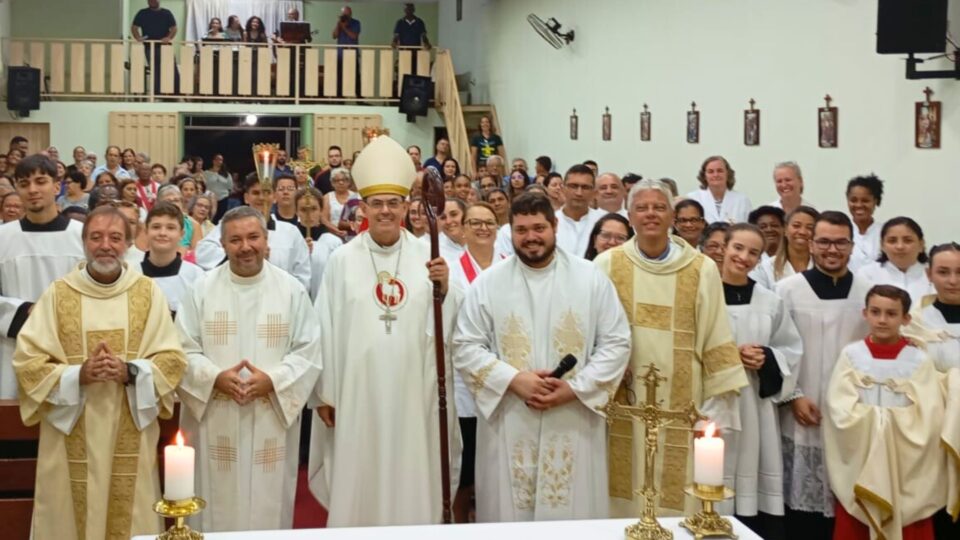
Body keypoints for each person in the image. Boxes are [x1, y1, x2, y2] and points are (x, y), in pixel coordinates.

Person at [307, 135, 462, 526]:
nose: (386, 211)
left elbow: (453, 327)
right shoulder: (343, 261)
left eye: (395, 203)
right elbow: (323, 324)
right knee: (360, 475)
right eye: (377, 203)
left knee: (414, 467)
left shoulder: (429, 258)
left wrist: (446, 288)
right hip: (357, 392)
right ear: (364, 208)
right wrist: (324, 393)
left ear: (407, 207)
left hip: (415, 391)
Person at [453, 192, 630, 522]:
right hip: (510, 415)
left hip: (574, 416)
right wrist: (513, 379)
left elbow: (617, 343)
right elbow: (465, 346)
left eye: (539, 228)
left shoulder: (590, 278)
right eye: (521, 230)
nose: (531, 237)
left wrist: (576, 389)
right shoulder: (489, 283)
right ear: (511, 231)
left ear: (554, 225)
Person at [13, 205, 187, 539]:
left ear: (128, 244)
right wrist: (77, 375)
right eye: (96, 237)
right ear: (84, 242)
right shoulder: (58, 294)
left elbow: (171, 359)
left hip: (129, 429)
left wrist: (130, 371)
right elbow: (28, 362)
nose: (105, 245)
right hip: (70, 432)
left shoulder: (147, 293)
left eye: (115, 237)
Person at [594, 178, 747, 516]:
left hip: (682, 404)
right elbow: (591, 333)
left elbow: (715, 336)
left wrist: (715, 408)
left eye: (659, 207)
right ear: (629, 215)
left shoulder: (701, 268)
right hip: (621, 403)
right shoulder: (606, 266)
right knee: (618, 493)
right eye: (642, 207)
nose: (651, 214)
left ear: (672, 215)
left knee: (677, 498)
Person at [177, 206, 321, 532]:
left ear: (266, 241)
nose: (245, 247)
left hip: (270, 415)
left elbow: (309, 351)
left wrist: (273, 380)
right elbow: (182, 350)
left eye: (253, 237)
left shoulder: (291, 290)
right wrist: (215, 378)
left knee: (266, 510)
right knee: (215, 507)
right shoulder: (201, 289)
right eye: (236, 240)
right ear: (223, 245)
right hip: (215, 415)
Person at [824, 285, 960, 540]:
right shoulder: (851, 355)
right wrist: (884, 421)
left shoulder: (918, 360)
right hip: (861, 463)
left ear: (906, 319)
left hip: (904, 465)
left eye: (891, 313)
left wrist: (883, 423)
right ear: (865, 313)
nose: (882, 320)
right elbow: (838, 410)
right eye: (875, 312)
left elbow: (929, 416)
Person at [777, 211, 873, 539]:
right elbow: (777, 349)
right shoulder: (787, 291)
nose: (832, 250)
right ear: (811, 244)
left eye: (841, 242)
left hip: (853, 416)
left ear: (851, 245)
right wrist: (794, 396)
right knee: (801, 520)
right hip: (800, 412)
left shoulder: (869, 294)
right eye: (824, 242)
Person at [716, 224, 802, 540]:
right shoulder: (703, 294)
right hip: (714, 403)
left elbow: (791, 349)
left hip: (755, 406)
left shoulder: (769, 301)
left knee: (753, 490)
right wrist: (728, 357)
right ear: (723, 248)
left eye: (753, 252)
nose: (744, 257)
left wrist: (766, 357)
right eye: (737, 247)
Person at [0, 155, 86, 398]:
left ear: (57, 186)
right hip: (13, 347)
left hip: (69, 348)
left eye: (41, 181)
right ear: (17, 188)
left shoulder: (81, 236)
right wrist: (25, 311)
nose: (33, 190)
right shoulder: (3, 237)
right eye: (24, 184)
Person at [446, 202, 499, 523]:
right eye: (475, 223)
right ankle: (460, 523)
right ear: (463, 229)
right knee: (465, 469)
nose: (482, 228)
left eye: (489, 223)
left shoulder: (511, 264)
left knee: (495, 465)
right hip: (465, 383)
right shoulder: (450, 271)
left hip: (504, 378)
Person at [195, 174, 310, 290]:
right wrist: (238, 254)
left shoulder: (291, 232)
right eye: (255, 193)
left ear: (274, 197)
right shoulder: (231, 225)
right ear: (246, 197)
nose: (261, 197)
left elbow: (302, 275)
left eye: (266, 192)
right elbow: (203, 253)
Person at [140, 202, 205, 316]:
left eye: (170, 228)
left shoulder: (196, 276)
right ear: (146, 231)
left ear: (181, 234)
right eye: (156, 227)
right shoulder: (131, 274)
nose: (162, 233)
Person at [905, 242, 960, 373]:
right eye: (943, 272)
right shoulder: (913, 324)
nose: (953, 281)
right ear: (929, 274)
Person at [858, 217, 933, 305]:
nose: (900, 246)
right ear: (882, 245)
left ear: (921, 244)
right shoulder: (867, 274)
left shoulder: (934, 273)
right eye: (892, 241)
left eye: (908, 240)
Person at [753, 207, 818, 291]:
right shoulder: (765, 268)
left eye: (810, 227)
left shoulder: (824, 267)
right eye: (796, 226)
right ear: (785, 229)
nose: (802, 232)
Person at [295, 187, 342, 301]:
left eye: (313, 209)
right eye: (303, 209)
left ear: (321, 210)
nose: (308, 214)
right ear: (296, 211)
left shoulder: (333, 242)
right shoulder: (291, 239)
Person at [131, 0, 180, 94]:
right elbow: (134, 27)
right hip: (150, 47)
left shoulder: (166, 13)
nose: (152, 1)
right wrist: (138, 37)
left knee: (171, 68)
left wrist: (168, 37)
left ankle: (175, 93)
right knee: (155, 70)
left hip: (165, 46)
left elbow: (174, 28)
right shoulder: (142, 13)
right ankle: (157, 94)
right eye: (150, 0)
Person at [686, 156, 752, 224]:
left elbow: (749, 229)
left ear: (728, 174)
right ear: (704, 176)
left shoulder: (742, 200)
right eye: (710, 172)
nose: (716, 175)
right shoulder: (693, 198)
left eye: (720, 171)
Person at [847, 174, 884, 269]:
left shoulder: (885, 232)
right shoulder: (842, 230)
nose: (859, 205)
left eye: (865, 200)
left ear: (875, 201)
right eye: (853, 200)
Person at [203, 153, 232, 222]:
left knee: (221, 218)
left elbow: (230, 187)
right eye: (218, 159)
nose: (219, 161)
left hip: (223, 198)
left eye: (221, 160)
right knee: (211, 217)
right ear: (213, 161)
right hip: (210, 198)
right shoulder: (206, 173)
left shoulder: (226, 174)